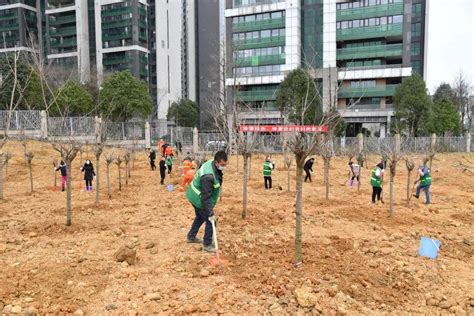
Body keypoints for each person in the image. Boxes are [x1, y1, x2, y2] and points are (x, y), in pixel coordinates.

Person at [186, 151, 228, 253]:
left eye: (226, 164)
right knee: (211, 221)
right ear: (217, 162)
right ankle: (207, 244)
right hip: (198, 198)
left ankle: (191, 237)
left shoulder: (211, 163)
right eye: (222, 165)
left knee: (200, 217)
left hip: (193, 194)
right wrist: (210, 213)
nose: (224, 167)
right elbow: (206, 197)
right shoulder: (208, 177)